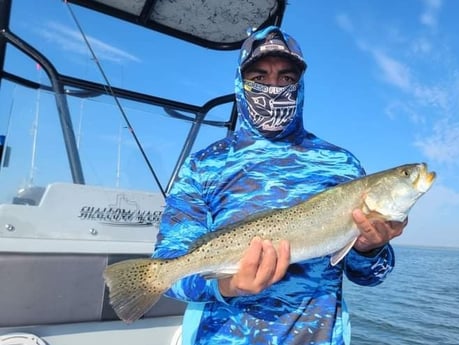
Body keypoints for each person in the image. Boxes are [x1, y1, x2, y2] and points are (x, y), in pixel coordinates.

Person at [153, 26, 406, 345]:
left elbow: (373, 276)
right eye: (259, 78)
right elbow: (166, 269)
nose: (274, 88)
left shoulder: (342, 165)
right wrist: (226, 286)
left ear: (300, 86)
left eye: (286, 78)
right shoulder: (204, 165)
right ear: (240, 84)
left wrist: (369, 248)